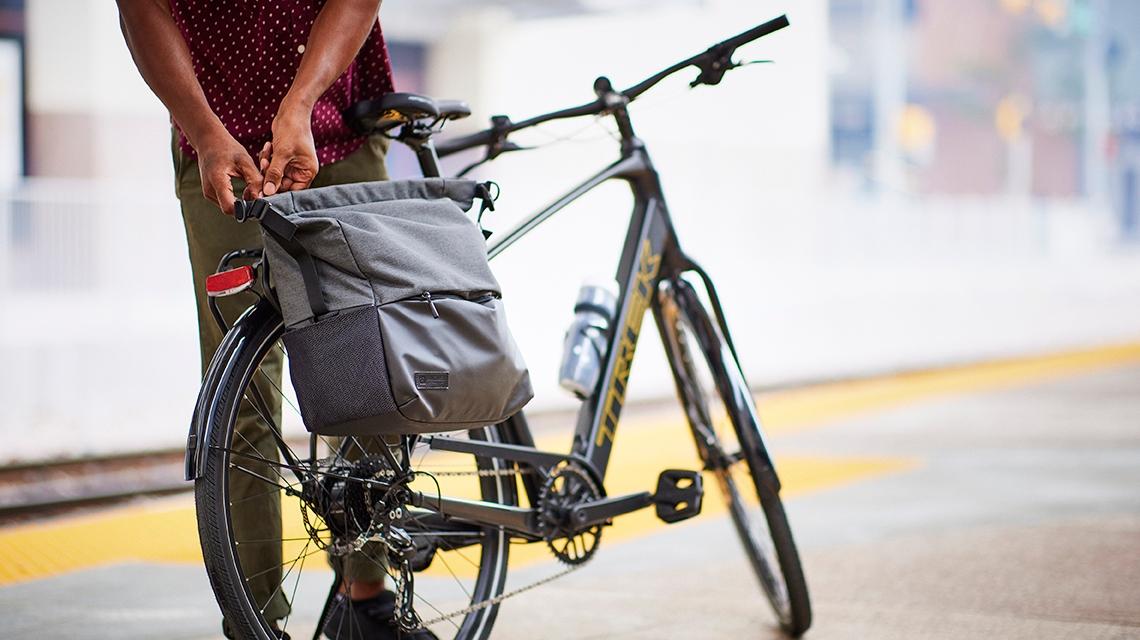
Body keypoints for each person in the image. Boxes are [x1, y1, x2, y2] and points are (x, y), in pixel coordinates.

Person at [116, 1, 430, 638]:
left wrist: (300, 105)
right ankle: (253, 622)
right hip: (218, 151)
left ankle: (366, 599)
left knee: (371, 371)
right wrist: (203, 130)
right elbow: (141, 7)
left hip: (337, 133)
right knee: (242, 397)